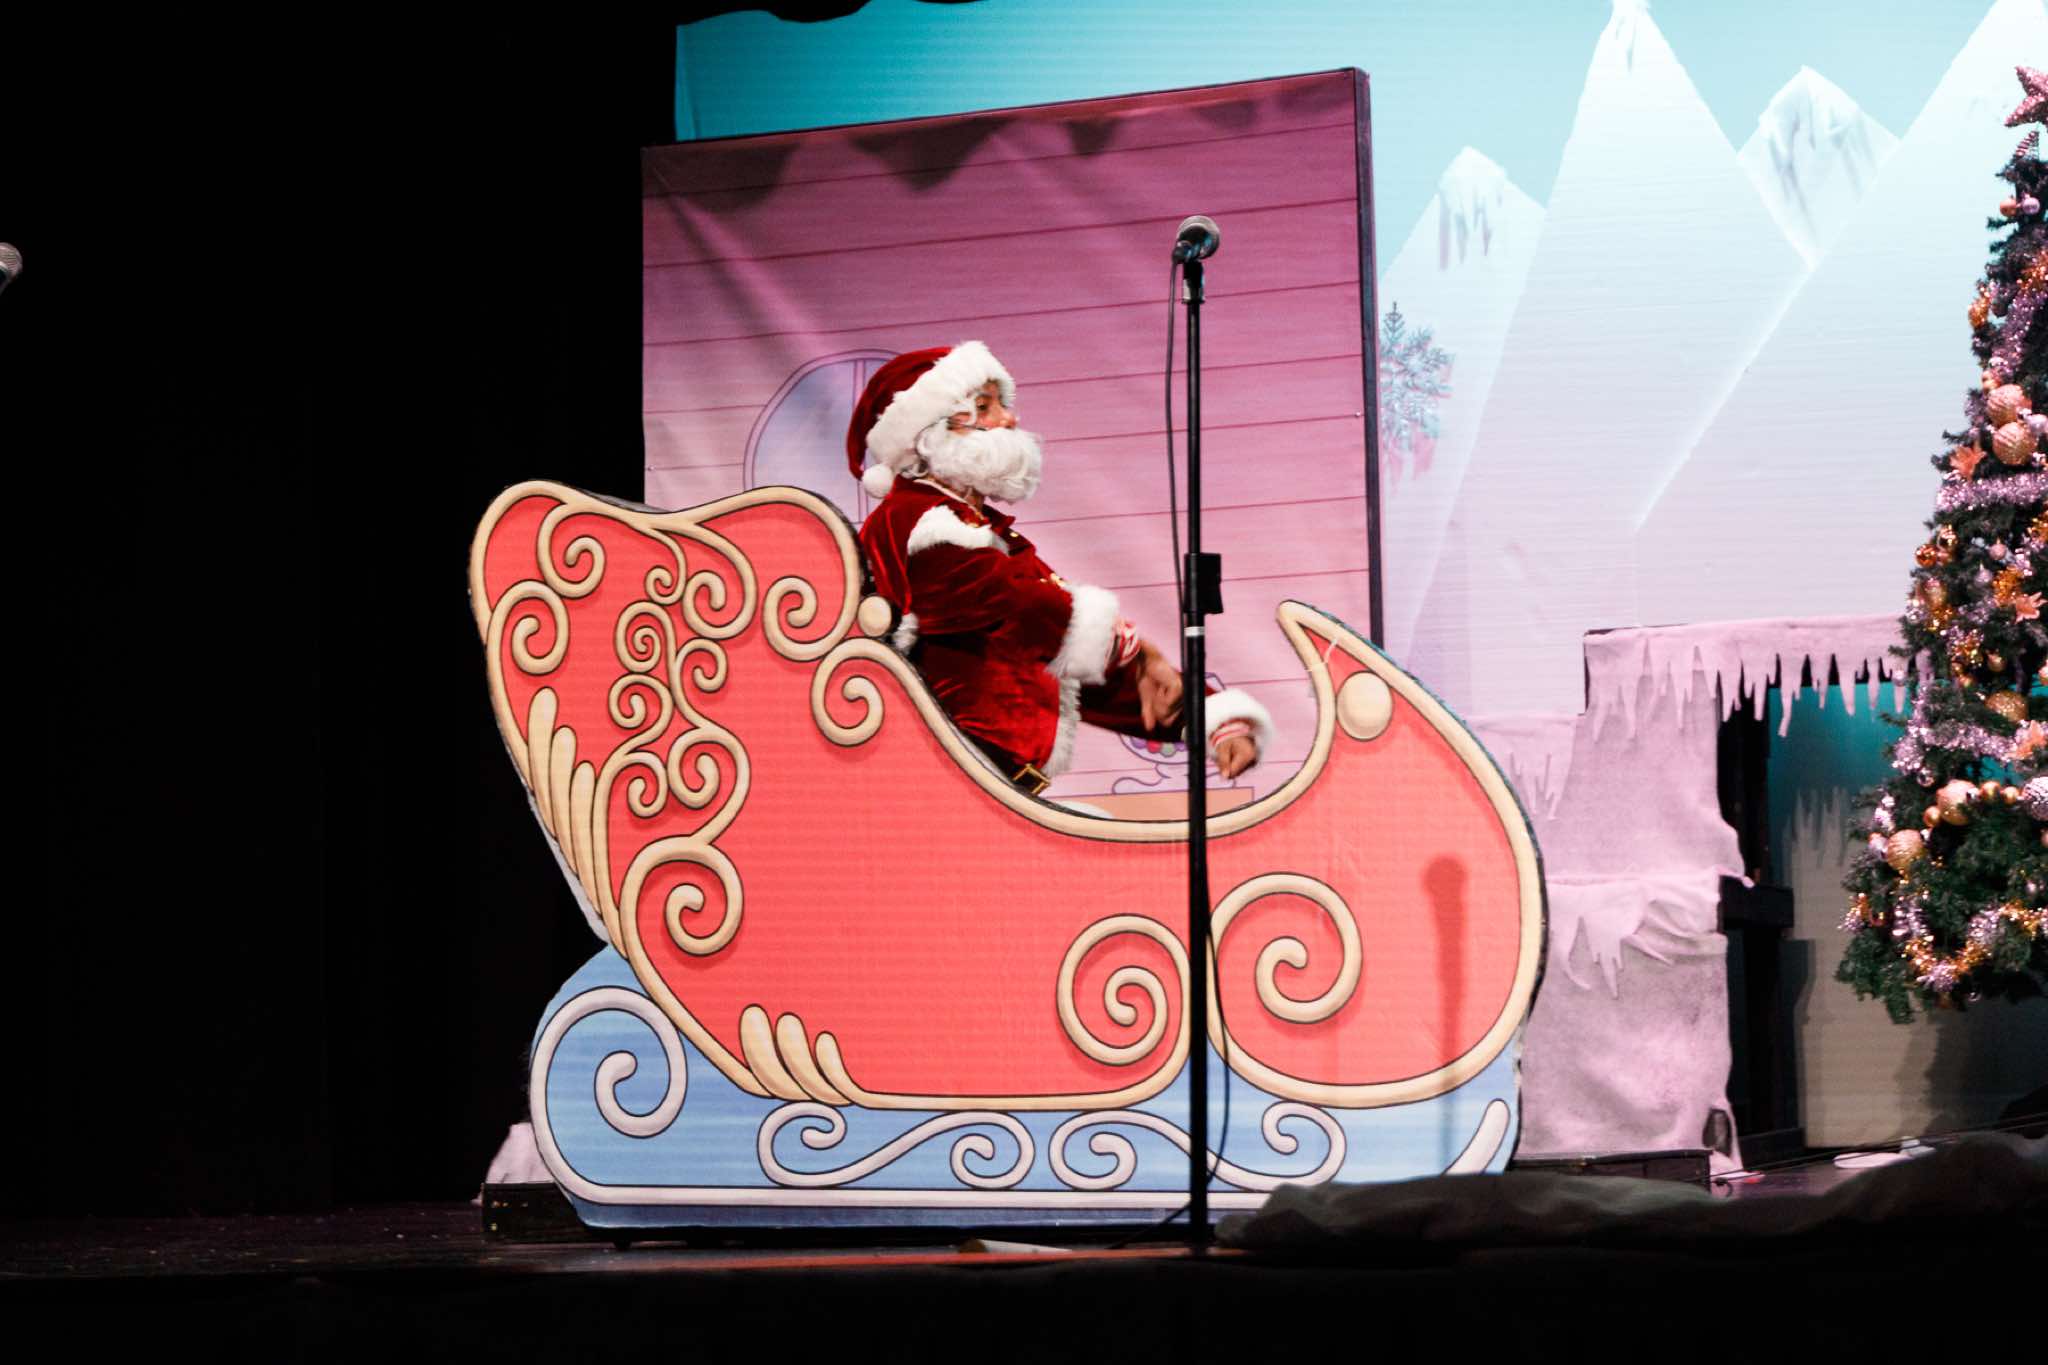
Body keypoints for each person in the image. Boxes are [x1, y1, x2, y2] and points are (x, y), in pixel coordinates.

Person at [846, 341, 1271, 796]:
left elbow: (1067, 659)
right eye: (985, 408)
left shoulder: (980, 529)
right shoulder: (915, 522)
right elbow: (1025, 609)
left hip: (990, 790)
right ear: (927, 434)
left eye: (1003, 405)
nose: (1009, 419)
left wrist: (1207, 716)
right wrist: (1137, 649)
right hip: (944, 788)